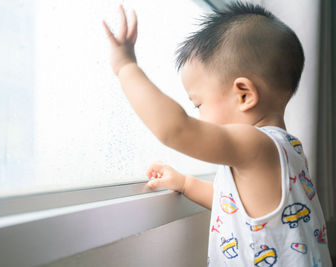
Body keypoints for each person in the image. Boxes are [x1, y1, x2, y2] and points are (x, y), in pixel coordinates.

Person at [102, 1, 331, 266]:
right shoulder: (285, 150)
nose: (198, 115)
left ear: (244, 95)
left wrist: (126, 68)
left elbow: (176, 129)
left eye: (199, 104)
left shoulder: (257, 145)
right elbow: (234, 204)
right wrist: (186, 184)